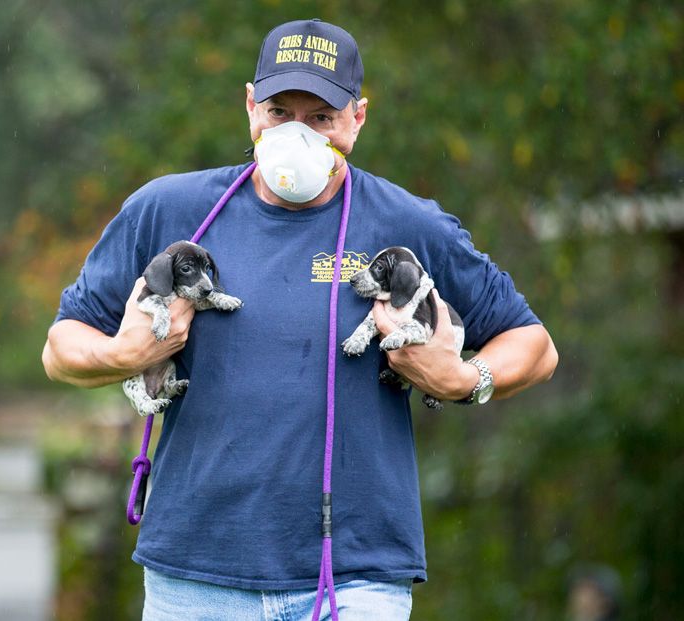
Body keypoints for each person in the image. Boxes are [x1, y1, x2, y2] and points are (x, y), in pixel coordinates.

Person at [42, 18, 558, 621]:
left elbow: (535, 345)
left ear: (357, 119)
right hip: (195, 578)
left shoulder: (409, 224)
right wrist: (121, 356)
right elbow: (60, 347)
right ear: (249, 106)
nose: (297, 133)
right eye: (280, 111)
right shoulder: (170, 210)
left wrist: (464, 380)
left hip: (355, 579)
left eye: (321, 117)